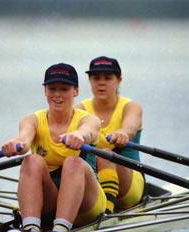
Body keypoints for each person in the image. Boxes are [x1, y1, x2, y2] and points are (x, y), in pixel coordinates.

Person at [1, 63, 106, 232]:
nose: (57, 95)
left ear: (76, 92)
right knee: (31, 160)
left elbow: (89, 131)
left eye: (64, 89)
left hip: (86, 206)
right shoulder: (32, 119)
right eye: (52, 88)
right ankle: (31, 227)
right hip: (49, 204)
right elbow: (24, 139)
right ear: (45, 91)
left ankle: (61, 228)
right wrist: (15, 144)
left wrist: (80, 135)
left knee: (73, 162)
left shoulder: (88, 119)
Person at [75, 56, 144, 214]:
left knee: (105, 155)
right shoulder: (80, 109)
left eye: (108, 78)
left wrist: (123, 133)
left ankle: (106, 213)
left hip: (129, 184)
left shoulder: (131, 107)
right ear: (90, 81)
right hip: (94, 182)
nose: (101, 83)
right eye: (96, 78)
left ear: (119, 80)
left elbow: (130, 127)